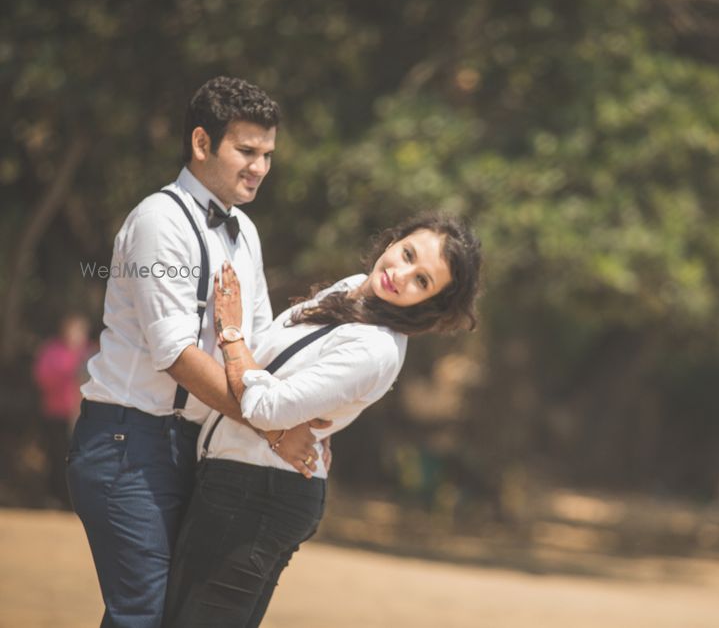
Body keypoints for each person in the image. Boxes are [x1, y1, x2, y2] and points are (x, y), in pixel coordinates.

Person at [68, 76, 322, 628]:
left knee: (179, 613)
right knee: (143, 615)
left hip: (198, 446)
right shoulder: (160, 221)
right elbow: (175, 353)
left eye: (268, 155)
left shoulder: (245, 232)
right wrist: (273, 428)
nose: (259, 167)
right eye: (246, 151)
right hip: (128, 441)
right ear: (202, 143)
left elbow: (254, 346)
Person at [162, 213, 482, 628]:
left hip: (258, 493)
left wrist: (231, 332)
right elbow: (278, 377)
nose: (401, 275)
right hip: (236, 476)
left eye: (422, 281)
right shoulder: (351, 288)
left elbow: (266, 407)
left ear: (430, 304)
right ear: (393, 240)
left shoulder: (376, 348)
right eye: (406, 254)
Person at [32, 313, 94, 507]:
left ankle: (77, 501)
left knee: (82, 459)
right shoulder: (52, 350)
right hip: (57, 413)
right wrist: (69, 370)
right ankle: (56, 498)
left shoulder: (91, 352)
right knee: (57, 456)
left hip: (84, 416)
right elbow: (41, 377)